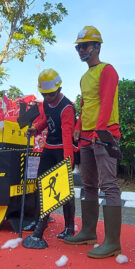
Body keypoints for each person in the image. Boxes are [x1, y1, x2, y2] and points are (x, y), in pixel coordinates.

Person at [63, 25, 123, 259]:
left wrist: (100, 130)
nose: (80, 50)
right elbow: (87, 105)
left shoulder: (107, 70)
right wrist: (78, 127)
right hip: (87, 136)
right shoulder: (84, 77)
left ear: (97, 46)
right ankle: (88, 232)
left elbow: (107, 102)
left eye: (85, 46)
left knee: (108, 185)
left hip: (105, 134)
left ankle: (113, 242)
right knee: (88, 185)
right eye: (78, 47)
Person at [22, 69, 77, 249]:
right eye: (45, 94)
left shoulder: (67, 107)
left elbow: (68, 135)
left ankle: (69, 227)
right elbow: (47, 120)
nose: (48, 98)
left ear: (59, 88)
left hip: (63, 149)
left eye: (51, 94)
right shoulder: (46, 102)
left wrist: (68, 161)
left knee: (64, 190)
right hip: (49, 147)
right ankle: (40, 220)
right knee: (41, 184)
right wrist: (36, 129)